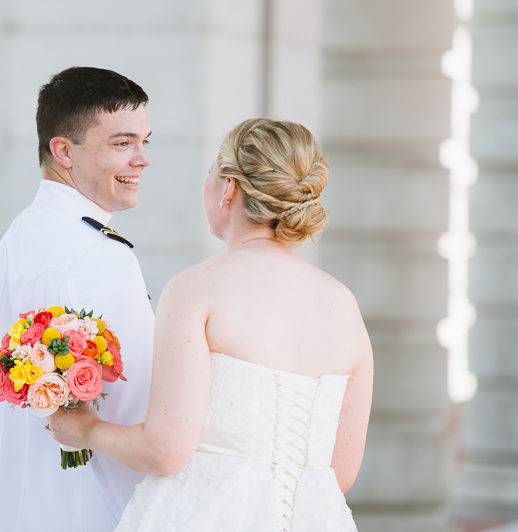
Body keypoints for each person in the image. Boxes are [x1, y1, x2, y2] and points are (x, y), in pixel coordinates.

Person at [48, 118, 373, 531]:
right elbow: (338, 472)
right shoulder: (345, 307)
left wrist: (87, 428)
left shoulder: (196, 289)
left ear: (229, 189)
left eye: (211, 173)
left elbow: (164, 450)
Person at [0, 66, 155, 532]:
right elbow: (119, 405)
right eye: (122, 143)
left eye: (144, 141)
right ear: (63, 151)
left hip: (24, 502)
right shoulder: (86, 254)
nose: (142, 159)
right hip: (87, 507)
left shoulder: (22, 237)